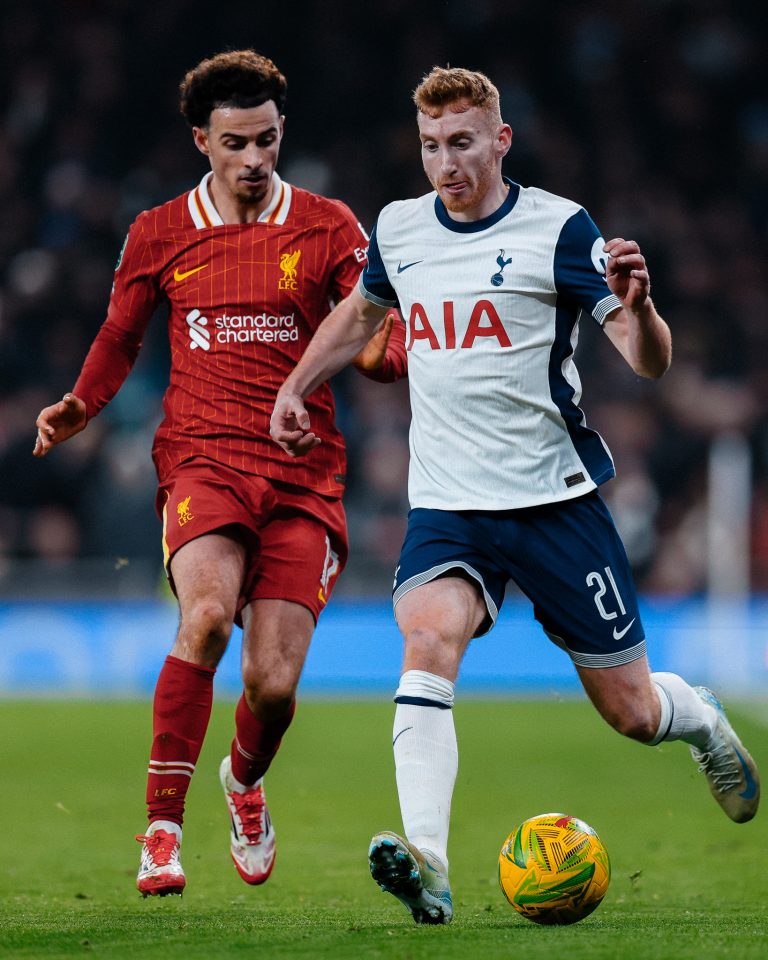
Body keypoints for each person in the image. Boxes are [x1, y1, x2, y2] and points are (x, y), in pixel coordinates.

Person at [270, 66, 760, 925]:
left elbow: (649, 362)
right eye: (429, 146)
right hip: (449, 505)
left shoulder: (560, 230)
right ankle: (428, 862)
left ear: (501, 140)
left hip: (555, 504)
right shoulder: (400, 228)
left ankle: (701, 720)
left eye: (462, 142)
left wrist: (642, 311)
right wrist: (296, 385)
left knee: (633, 712)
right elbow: (362, 310)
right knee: (426, 643)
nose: (445, 163)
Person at [33, 49, 405, 898]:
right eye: (235, 142)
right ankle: (161, 831)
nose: (254, 159)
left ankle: (242, 781)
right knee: (202, 618)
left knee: (271, 686)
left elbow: (369, 328)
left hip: (304, 475)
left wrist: (393, 354)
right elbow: (121, 335)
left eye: (267, 141)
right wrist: (81, 406)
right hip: (201, 458)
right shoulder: (160, 231)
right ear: (202, 139)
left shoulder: (329, 225)